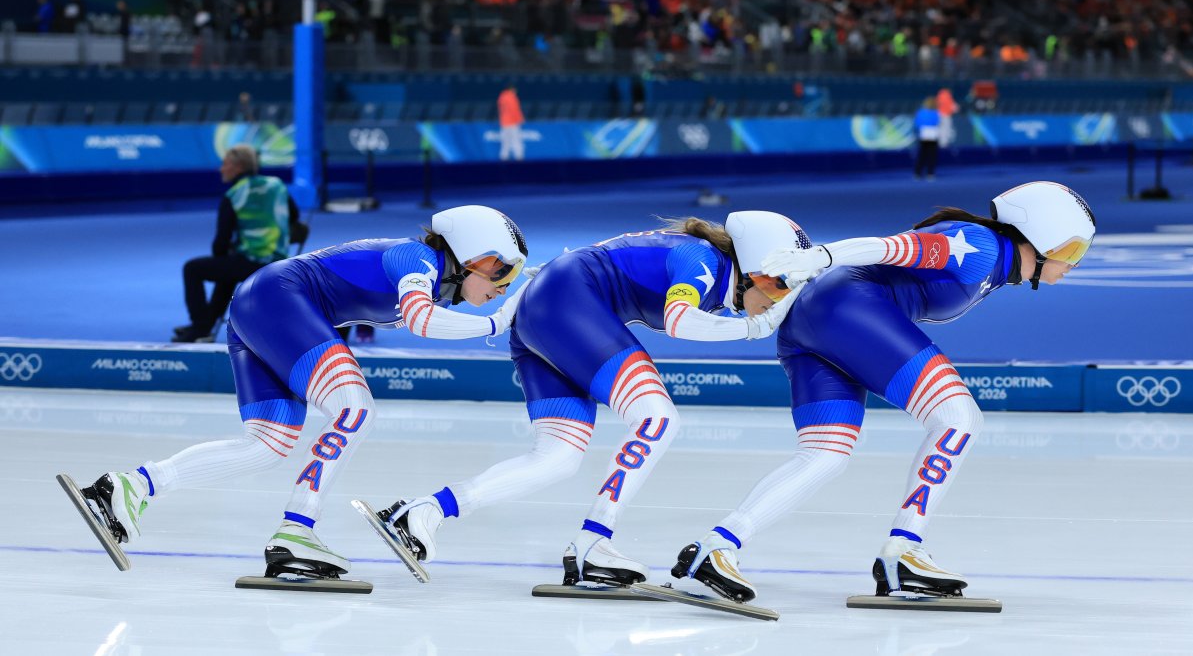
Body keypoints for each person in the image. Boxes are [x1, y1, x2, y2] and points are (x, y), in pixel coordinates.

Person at [669, 182, 1096, 603]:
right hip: (848, 307)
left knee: (825, 453)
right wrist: (823, 255)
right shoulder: (980, 246)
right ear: (1041, 236)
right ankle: (904, 549)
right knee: (958, 417)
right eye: (1071, 251)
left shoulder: (993, 265)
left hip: (810, 324)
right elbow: (886, 247)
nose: (1073, 264)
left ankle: (716, 547)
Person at [67, 205, 529, 580]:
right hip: (280, 299)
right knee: (354, 409)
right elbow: (421, 321)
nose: (502, 285)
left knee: (267, 445)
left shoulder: (426, 269)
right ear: (469, 249)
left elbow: (423, 315)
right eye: (500, 270)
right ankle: (296, 531)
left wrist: (496, 314)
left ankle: (126, 488)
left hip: (263, 303)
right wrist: (494, 322)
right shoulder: (417, 258)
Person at [375, 212, 808, 586]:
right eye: (777, 285)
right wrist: (752, 329)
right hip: (569, 304)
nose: (777, 301)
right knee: (657, 419)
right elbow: (679, 320)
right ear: (752, 266)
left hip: (547, 309)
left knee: (556, 456)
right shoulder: (703, 260)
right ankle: (594, 541)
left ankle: (423, 513)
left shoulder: (705, 263)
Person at [173, 145, 294, 343]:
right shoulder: (276, 185)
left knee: (192, 269)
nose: (221, 169)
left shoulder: (234, 195)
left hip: (252, 265)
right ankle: (205, 326)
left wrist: (226, 254)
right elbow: (294, 215)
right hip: (279, 264)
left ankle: (200, 326)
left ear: (238, 167)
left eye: (225, 164)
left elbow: (220, 242)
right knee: (229, 267)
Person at [913, 97, 941, 180]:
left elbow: (917, 124)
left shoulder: (920, 112)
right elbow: (936, 122)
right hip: (932, 135)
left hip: (923, 135)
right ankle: (930, 173)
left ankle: (917, 173)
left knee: (922, 155)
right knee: (932, 156)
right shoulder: (936, 113)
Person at [497, 84, 525, 161]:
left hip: (504, 123)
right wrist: (520, 119)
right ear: (512, 89)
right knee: (516, 141)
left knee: (505, 143)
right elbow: (514, 109)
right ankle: (519, 158)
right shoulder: (511, 97)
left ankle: (503, 159)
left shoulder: (501, 97)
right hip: (512, 122)